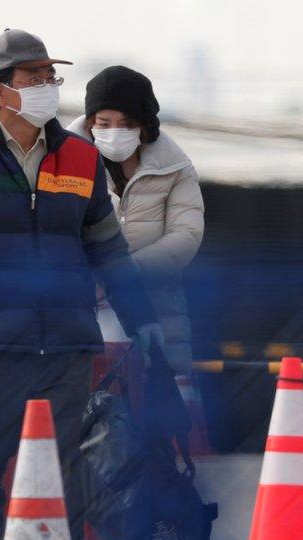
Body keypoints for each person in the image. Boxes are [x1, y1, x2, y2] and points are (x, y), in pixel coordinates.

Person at [0, 29, 162, 540]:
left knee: (67, 469)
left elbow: (109, 250)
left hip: (66, 342)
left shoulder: (83, 159)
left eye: (51, 77)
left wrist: (142, 319)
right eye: (34, 77)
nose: (48, 86)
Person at [66, 66, 204, 373]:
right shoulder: (60, 162)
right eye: (104, 123)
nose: (114, 132)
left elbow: (186, 235)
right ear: (90, 123)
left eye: (126, 124)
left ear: (144, 125)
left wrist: (125, 271)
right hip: (80, 306)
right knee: (79, 401)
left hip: (158, 303)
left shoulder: (174, 167)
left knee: (161, 402)